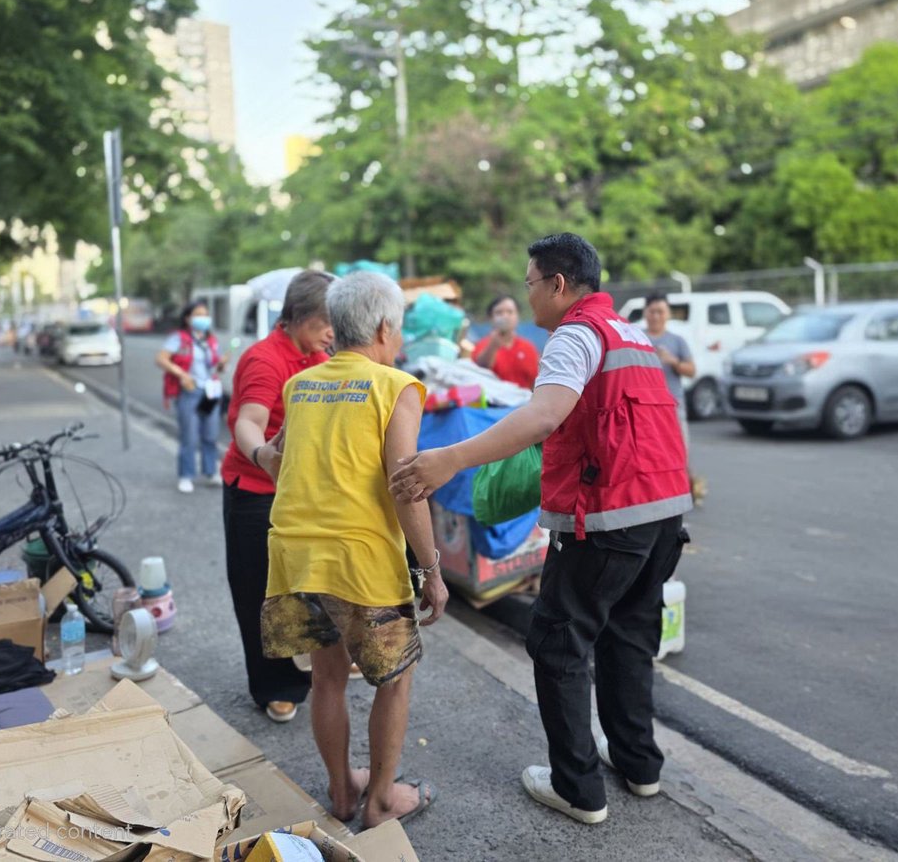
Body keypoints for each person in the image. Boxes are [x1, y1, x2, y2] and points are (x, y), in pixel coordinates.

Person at [390, 233, 691, 825]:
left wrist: (450, 458)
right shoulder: (632, 334)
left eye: (530, 283)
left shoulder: (575, 336)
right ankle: (638, 765)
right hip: (663, 513)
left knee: (559, 641)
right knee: (628, 635)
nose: (526, 296)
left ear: (558, 284)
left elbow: (544, 414)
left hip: (605, 515)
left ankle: (577, 788)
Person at [260, 271, 448, 829]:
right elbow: (405, 484)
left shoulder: (301, 385)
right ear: (385, 327)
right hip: (360, 562)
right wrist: (432, 570)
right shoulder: (396, 387)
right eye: (401, 327)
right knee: (394, 676)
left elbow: (277, 458)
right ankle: (383, 801)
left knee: (327, 677)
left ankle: (343, 795)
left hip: (294, 556)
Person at [220, 271, 335, 725]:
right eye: (326, 321)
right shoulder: (265, 359)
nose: (331, 332)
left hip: (302, 493)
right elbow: (249, 419)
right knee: (259, 594)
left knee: (304, 589)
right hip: (255, 493)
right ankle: (274, 685)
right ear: (300, 316)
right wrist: (261, 453)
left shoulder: (321, 359)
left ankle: (308, 670)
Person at [156, 301, 229, 494]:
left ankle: (211, 471)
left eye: (205, 314)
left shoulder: (211, 340)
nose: (203, 318)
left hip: (210, 392)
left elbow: (215, 367)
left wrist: (221, 364)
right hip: (189, 392)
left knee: (210, 434)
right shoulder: (178, 338)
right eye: (198, 314)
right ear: (188, 318)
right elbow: (161, 359)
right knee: (189, 435)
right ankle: (186, 475)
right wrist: (181, 374)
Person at [642, 294, 702, 500]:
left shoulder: (677, 341)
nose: (656, 316)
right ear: (645, 313)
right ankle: (657, 494)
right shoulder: (636, 337)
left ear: (668, 314)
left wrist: (673, 361)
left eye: (661, 311)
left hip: (673, 405)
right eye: (653, 311)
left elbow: (692, 371)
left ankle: (687, 489)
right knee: (649, 454)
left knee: (680, 452)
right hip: (646, 407)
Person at [473, 295, 540, 389]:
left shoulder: (528, 348)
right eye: (499, 313)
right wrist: (493, 346)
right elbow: (479, 370)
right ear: (491, 318)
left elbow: (535, 381)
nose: (505, 316)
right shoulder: (482, 346)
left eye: (510, 312)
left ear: (517, 316)